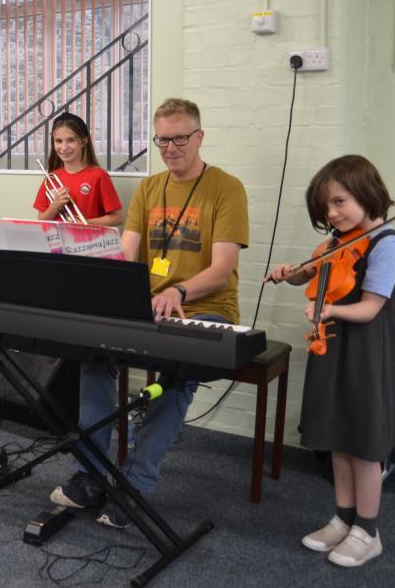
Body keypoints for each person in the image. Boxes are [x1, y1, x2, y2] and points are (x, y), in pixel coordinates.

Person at [50, 98, 249, 529]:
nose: (171, 147)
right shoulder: (149, 187)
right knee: (94, 357)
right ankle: (91, 473)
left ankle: (135, 486)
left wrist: (178, 289)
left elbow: (222, 269)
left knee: (176, 379)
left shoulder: (226, 187)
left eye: (180, 138)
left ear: (199, 137)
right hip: (147, 305)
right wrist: (104, 284)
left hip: (207, 309)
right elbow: (127, 252)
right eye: (163, 140)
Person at [267, 154, 395, 568]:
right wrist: (288, 273)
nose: (332, 213)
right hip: (331, 349)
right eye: (326, 206)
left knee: (363, 446)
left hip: (365, 354)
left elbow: (368, 309)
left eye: (340, 202)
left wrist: (330, 311)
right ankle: (343, 518)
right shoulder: (334, 245)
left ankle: (368, 529)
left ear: (368, 193)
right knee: (338, 442)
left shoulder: (386, 246)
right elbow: (309, 275)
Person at [33, 112, 125, 227]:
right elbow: (41, 219)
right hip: (57, 243)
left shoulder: (99, 176)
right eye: (58, 141)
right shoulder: (51, 178)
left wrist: (85, 223)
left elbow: (118, 217)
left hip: (88, 243)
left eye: (71, 140)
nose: (64, 147)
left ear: (84, 142)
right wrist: (54, 206)